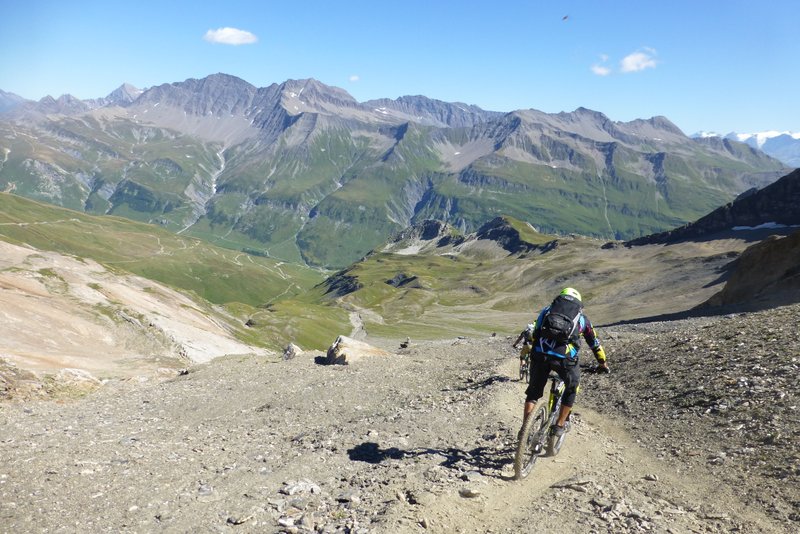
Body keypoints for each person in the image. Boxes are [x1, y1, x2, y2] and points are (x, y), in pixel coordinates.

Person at [521, 287, 609, 438]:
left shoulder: (546, 311)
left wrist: (535, 351)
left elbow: (535, 332)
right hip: (565, 359)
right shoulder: (582, 319)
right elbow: (594, 343)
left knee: (533, 393)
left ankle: (525, 430)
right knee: (572, 387)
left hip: (540, 354)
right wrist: (602, 363)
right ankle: (559, 425)